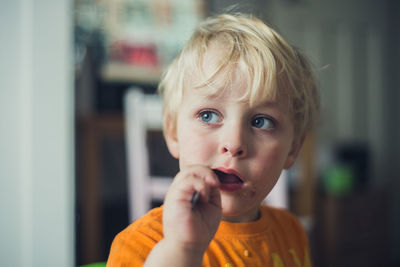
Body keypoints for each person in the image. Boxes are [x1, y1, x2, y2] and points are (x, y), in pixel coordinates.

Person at [107, 13, 320, 267]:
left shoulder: (292, 233)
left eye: (261, 121)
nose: (234, 143)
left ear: (293, 148)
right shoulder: (141, 244)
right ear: (173, 132)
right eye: (208, 115)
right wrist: (182, 249)